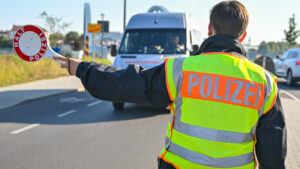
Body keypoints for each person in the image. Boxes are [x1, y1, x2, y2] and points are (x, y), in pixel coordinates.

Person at [54, 1, 286, 169]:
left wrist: (82, 68)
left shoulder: (180, 69)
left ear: (209, 29)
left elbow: (126, 83)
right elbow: (273, 154)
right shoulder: (265, 83)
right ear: (243, 36)